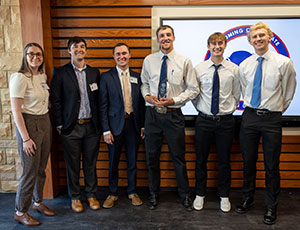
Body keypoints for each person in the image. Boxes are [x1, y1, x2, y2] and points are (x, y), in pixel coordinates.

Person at [235, 22, 296, 225]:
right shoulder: (245, 65)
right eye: (254, 37)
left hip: (271, 118)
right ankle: (247, 199)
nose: (258, 39)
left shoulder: (284, 62)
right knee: (248, 162)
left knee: (271, 165)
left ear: (269, 37)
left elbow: (288, 93)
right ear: (249, 41)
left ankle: (271, 206)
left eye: (262, 35)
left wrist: (276, 110)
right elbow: (243, 90)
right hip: (249, 117)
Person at [141, 25, 199, 211]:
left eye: (168, 35)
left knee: (178, 157)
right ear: (157, 40)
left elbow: (193, 89)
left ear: (173, 37)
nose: (165, 38)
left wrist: (174, 100)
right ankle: (153, 194)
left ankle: (185, 195)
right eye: (161, 36)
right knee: (152, 157)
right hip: (152, 116)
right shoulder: (149, 60)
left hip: (173, 115)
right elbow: (143, 84)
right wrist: (147, 96)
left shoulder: (184, 61)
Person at [51, 36, 101, 213]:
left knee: (90, 163)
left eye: (82, 46)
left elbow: (99, 101)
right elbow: (55, 100)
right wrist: (59, 124)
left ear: (86, 50)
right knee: (72, 164)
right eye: (75, 47)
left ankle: (91, 195)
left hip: (91, 127)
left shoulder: (95, 72)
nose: (79, 49)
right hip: (71, 127)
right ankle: (75, 197)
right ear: (69, 51)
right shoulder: (60, 72)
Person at [192, 32, 240, 212]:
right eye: (213, 43)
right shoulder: (199, 69)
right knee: (200, 160)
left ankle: (224, 196)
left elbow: (236, 95)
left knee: (224, 161)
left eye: (220, 43)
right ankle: (199, 194)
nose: (217, 46)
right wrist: (202, 109)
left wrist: (228, 109)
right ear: (208, 46)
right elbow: (195, 95)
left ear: (225, 45)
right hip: (204, 120)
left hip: (226, 122)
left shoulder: (234, 69)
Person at [10, 43, 54, 226]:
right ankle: (20, 211)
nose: (35, 57)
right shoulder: (19, 78)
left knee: (41, 168)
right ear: (25, 56)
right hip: (29, 124)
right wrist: (26, 138)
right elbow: (16, 110)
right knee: (29, 171)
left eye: (39, 54)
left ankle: (37, 202)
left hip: (44, 121)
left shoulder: (42, 76)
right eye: (31, 54)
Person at [99, 43, 145, 208]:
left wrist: (143, 126)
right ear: (113, 57)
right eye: (118, 54)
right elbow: (102, 106)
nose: (121, 57)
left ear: (130, 55)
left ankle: (132, 192)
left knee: (132, 161)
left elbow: (140, 104)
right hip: (113, 127)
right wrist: (105, 130)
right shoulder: (106, 77)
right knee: (113, 162)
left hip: (133, 124)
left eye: (124, 53)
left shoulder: (137, 77)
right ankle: (112, 193)